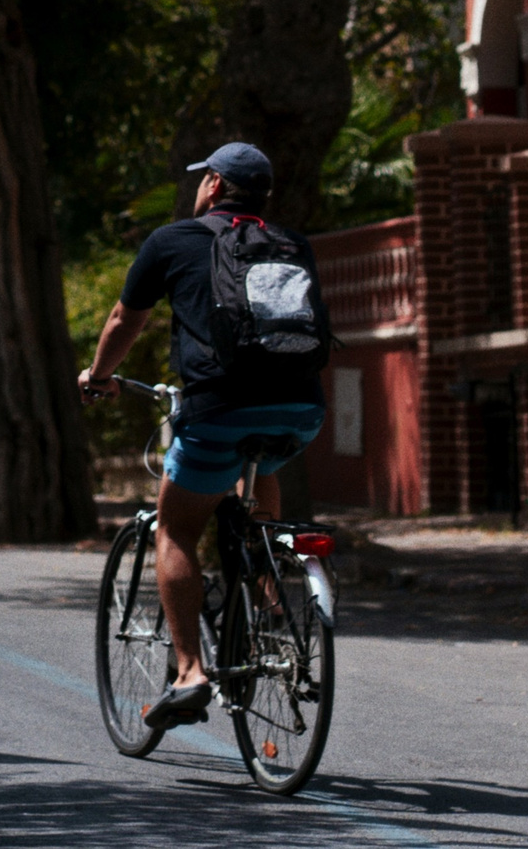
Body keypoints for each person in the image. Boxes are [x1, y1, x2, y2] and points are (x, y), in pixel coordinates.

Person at [77, 142, 328, 731]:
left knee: (177, 527)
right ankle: (267, 602)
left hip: (219, 407)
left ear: (213, 185)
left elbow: (124, 321)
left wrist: (100, 377)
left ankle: (189, 673)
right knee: (261, 466)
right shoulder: (294, 244)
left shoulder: (174, 241)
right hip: (300, 409)